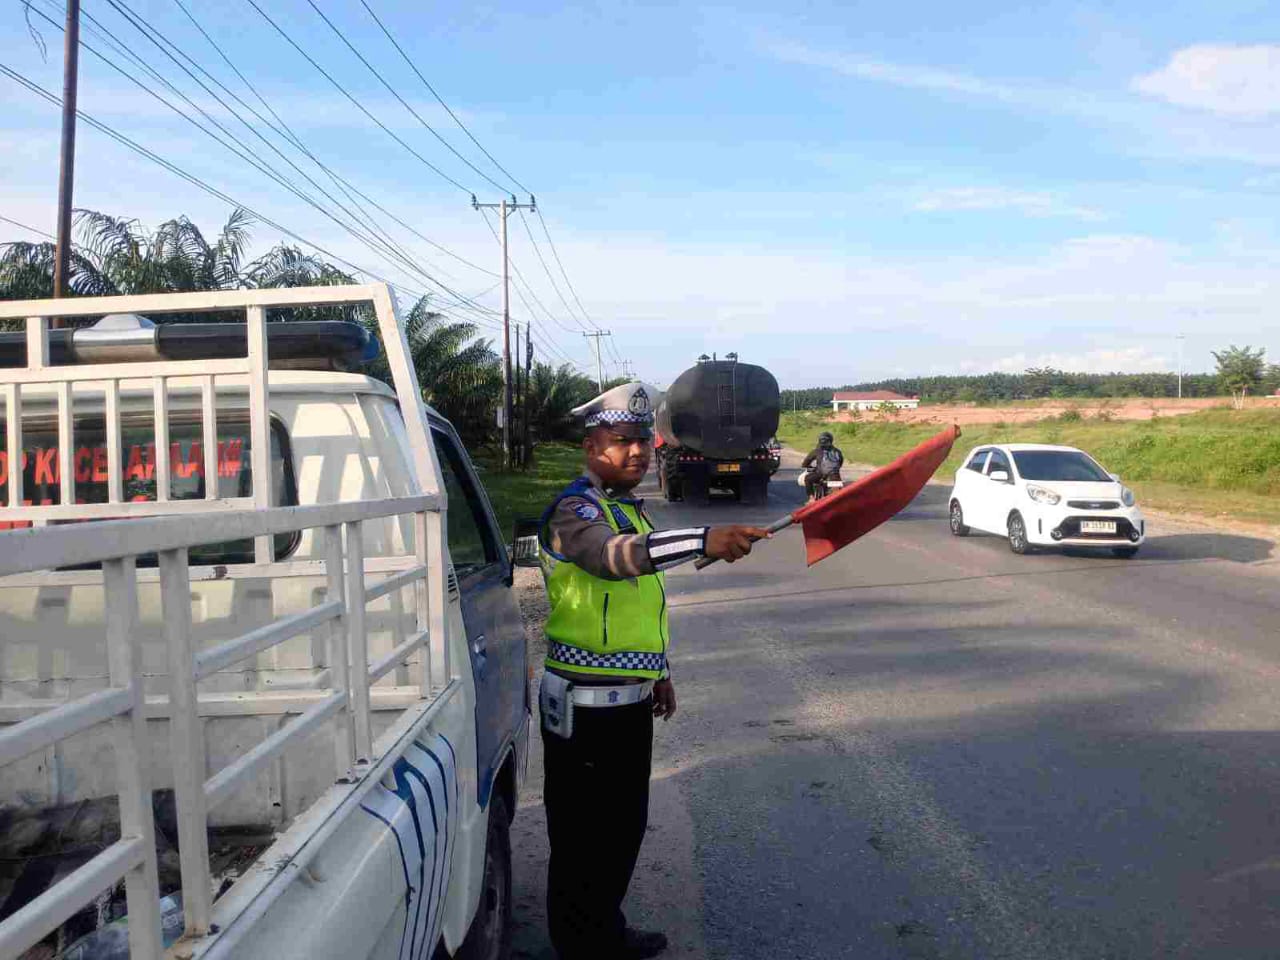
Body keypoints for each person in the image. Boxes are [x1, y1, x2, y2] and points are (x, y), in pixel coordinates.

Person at [537, 381, 770, 960]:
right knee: (584, 840)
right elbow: (612, 560)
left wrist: (657, 671)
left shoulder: (625, 507)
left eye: (643, 440)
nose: (637, 452)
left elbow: (639, 604)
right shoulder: (576, 510)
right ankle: (582, 947)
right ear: (592, 447)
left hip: (627, 697)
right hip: (585, 705)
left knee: (620, 832)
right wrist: (702, 539)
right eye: (622, 442)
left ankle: (601, 935)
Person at [801, 430, 844, 501]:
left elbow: (805, 463)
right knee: (838, 493)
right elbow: (840, 463)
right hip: (835, 475)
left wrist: (811, 468)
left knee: (807, 479)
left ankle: (811, 498)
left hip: (820, 474)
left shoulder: (816, 451)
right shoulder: (837, 451)